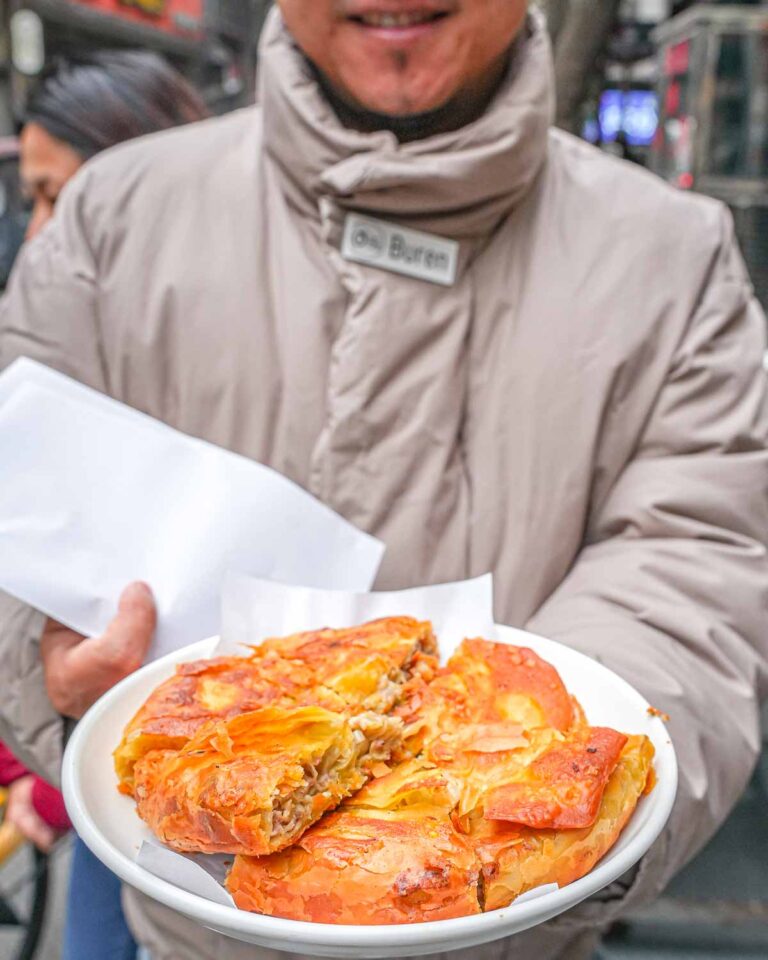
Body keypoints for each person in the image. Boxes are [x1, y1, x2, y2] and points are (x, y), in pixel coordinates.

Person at [0, 3, 766, 959]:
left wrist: (515, 805)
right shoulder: (111, 219)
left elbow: (700, 560)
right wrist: (42, 656)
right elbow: (24, 500)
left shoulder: (676, 259)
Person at [1, 49, 207, 960]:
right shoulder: (62, 349)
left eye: (61, 198)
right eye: (33, 201)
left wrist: (47, 780)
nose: (42, 232)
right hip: (97, 780)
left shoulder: (196, 358)